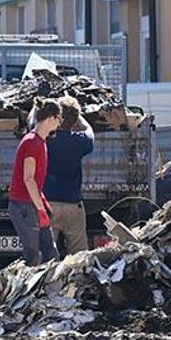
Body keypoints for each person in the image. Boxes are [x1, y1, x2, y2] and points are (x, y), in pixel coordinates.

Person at [8, 99, 62, 266]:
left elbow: (34, 182)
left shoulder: (40, 141)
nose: (59, 123)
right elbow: (28, 178)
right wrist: (39, 209)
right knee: (34, 256)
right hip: (24, 206)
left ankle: (50, 290)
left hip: (31, 204)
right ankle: (32, 291)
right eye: (58, 118)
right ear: (50, 119)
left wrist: (43, 205)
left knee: (50, 254)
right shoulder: (32, 142)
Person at [44, 97, 94, 255]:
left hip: (48, 205)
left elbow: (33, 123)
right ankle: (77, 280)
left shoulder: (45, 139)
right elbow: (90, 132)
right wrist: (79, 117)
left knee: (45, 256)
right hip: (73, 205)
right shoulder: (80, 142)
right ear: (74, 121)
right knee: (79, 257)